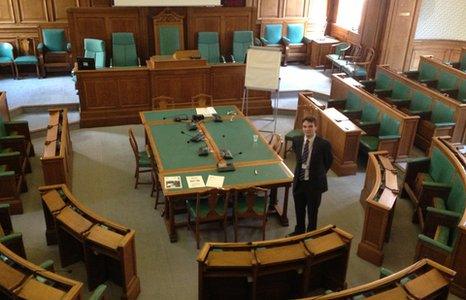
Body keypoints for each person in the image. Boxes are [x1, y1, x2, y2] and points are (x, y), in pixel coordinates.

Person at [288, 115, 333, 236]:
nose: (307, 129)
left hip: (314, 184)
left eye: (310, 126)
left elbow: (328, 162)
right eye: (304, 126)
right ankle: (299, 230)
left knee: (312, 212)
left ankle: (311, 234)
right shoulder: (296, 140)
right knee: (299, 209)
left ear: (316, 127)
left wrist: (318, 173)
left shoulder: (324, 144)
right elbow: (298, 159)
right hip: (299, 181)